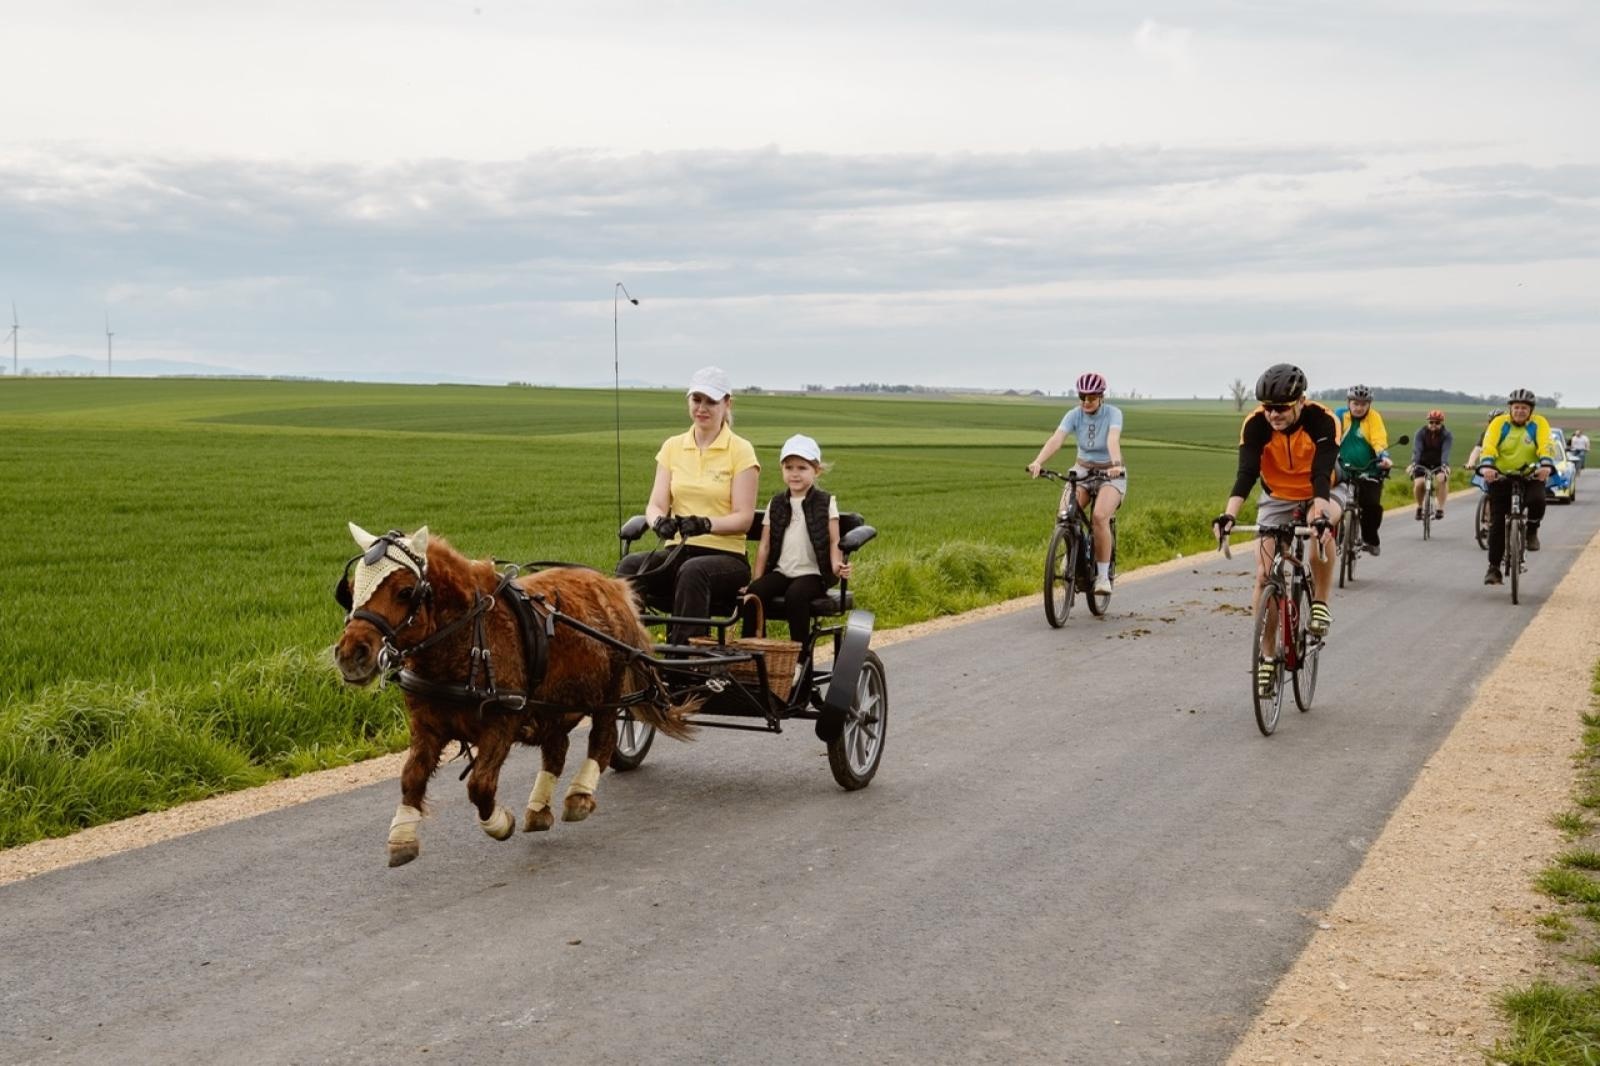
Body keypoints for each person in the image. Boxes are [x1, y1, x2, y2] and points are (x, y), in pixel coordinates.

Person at [1211, 364, 1345, 697]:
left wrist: (1319, 516)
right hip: (1276, 495)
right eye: (1268, 407)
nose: (1273, 414)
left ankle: (1321, 603)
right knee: (1264, 575)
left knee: (1320, 533)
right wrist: (1229, 515)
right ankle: (1268, 655)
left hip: (1322, 489)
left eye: (1281, 408)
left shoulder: (1323, 420)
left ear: (1301, 401)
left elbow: (1321, 473)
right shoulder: (1255, 424)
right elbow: (1246, 473)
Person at [616, 366, 760, 643]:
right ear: (688, 402)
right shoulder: (673, 446)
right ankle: (629, 650)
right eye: (697, 400)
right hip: (678, 551)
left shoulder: (740, 450)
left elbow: (744, 518)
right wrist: (659, 521)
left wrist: (706, 524)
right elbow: (655, 504)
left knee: (693, 571)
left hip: (726, 557)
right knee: (630, 566)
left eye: (711, 401)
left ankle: (684, 661)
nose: (702, 408)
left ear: (726, 403)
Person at [743, 434, 850, 651]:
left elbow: (833, 540)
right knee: (754, 593)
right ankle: (754, 652)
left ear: (816, 470)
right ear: (782, 469)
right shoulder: (776, 504)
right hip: (782, 572)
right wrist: (756, 580)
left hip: (813, 573)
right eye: (789, 467)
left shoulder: (826, 502)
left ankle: (799, 656)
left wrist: (836, 566)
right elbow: (764, 546)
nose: (795, 473)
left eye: (802, 468)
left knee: (796, 596)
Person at [1026, 371, 1126, 595]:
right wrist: (1038, 461)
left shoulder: (1113, 413)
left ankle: (1102, 577)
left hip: (1109, 472)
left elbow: (1112, 439)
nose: (1086, 402)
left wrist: (1116, 465)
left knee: (1100, 516)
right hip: (1082, 470)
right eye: (1082, 397)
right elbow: (1057, 439)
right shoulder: (1074, 415)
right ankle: (1070, 552)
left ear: (1101, 397)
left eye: (1091, 398)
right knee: (1064, 512)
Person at [1477, 388, 1555, 585]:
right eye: (1516, 407)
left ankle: (1531, 530)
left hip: (1530, 474)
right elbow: (1489, 445)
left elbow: (1546, 444)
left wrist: (1545, 464)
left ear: (1531, 410)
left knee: (1538, 500)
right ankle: (1494, 568)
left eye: (1524, 408)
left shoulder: (1539, 423)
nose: (1520, 411)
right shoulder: (1499, 423)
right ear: (1510, 408)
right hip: (1501, 475)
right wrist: (1487, 465)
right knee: (1496, 523)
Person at [1334, 384, 1393, 556]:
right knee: (1328, 500)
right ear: (1348, 403)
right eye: (1355, 403)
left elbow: (1379, 440)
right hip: (1341, 467)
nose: (1359, 407)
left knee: (1372, 506)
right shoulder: (1339, 415)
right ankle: (1330, 536)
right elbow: (1332, 436)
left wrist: (1384, 457)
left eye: (1363, 404)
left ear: (1369, 405)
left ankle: (1370, 539)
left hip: (1369, 469)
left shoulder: (1374, 418)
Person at [1408, 409, 1453, 521]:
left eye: (1437, 423)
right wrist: (1414, 464)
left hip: (1439, 462)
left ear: (1442, 423)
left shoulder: (1447, 435)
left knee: (1442, 479)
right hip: (1422, 461)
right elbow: (1417, 450)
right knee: (1419, 484)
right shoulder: (1420, 433)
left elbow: (1445, 452)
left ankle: (1440, 509)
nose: (1433, 425)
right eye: (1431, 422)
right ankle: (1419, 507)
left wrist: (1444, 466)